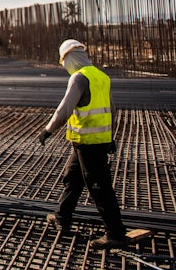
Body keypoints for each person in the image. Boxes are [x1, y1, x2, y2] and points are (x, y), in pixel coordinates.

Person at [38, 39, 127, 250]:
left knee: (99, 187)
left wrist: (48, 130)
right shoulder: (101, 76)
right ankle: (62, 217)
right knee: (73, 178)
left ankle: (116, 234)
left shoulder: (79, 78)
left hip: (89, 143)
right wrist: (110, 138)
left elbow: (65, 108)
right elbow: (112, 109)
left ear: (68, 59)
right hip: (88, 142)